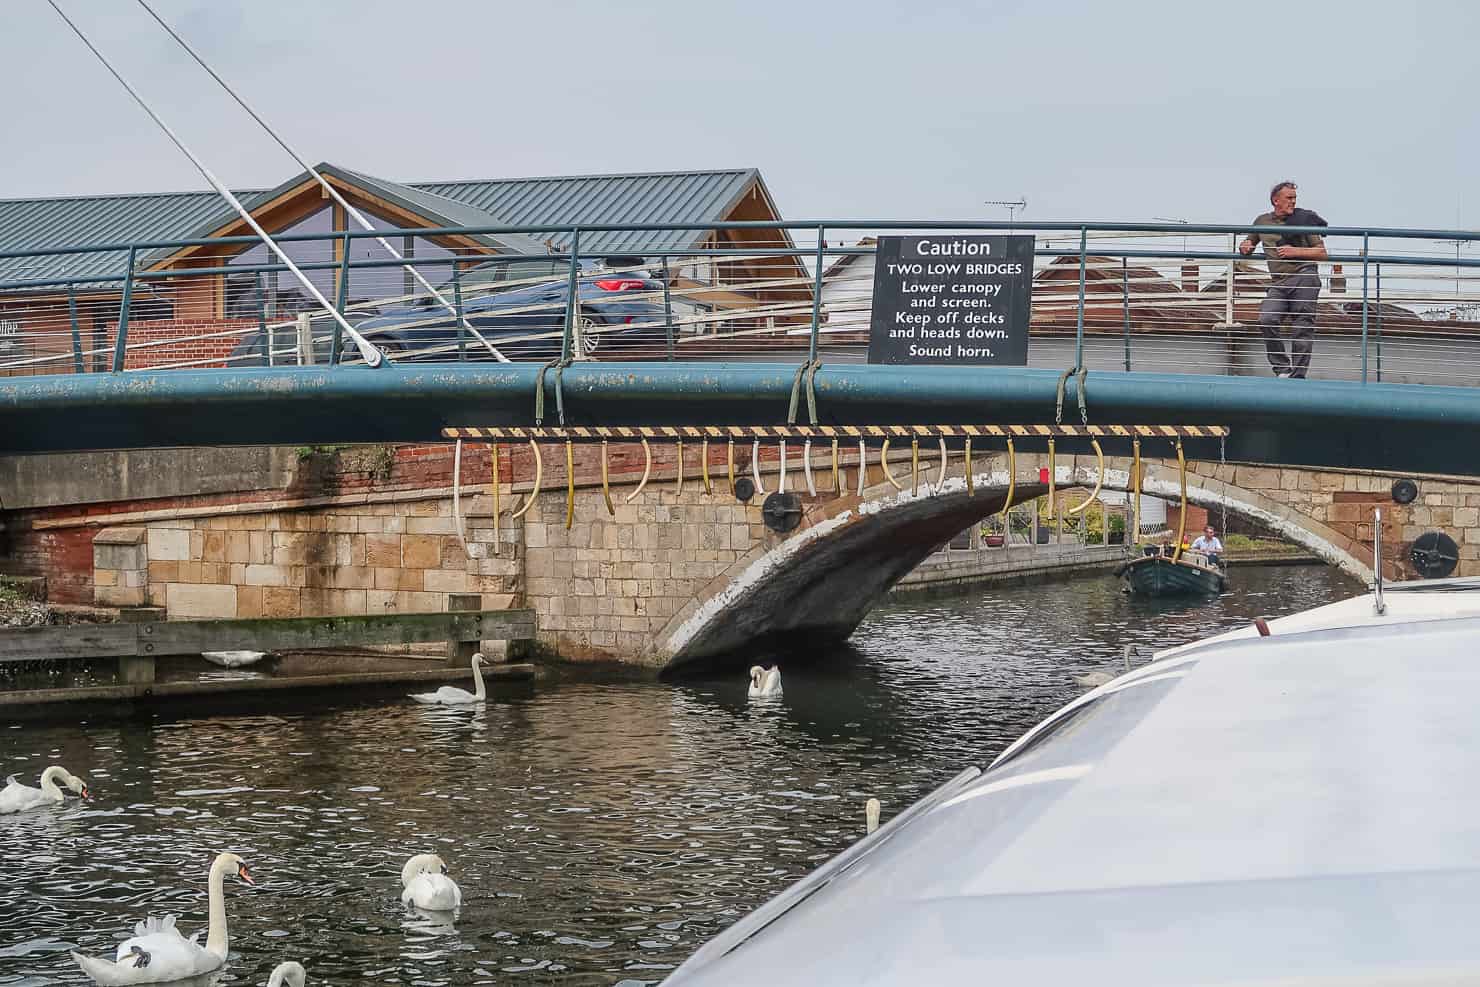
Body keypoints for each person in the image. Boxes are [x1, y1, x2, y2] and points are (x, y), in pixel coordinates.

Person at [1239, 181, 1328, 379]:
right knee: (1267, 319)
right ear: (1275, 200)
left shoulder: (1302, 219)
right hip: (1278, 282)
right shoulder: (1262, 221)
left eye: (1295, 198)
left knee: (1302, 326)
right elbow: (1249, 243)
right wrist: (1244, 247)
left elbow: (1322, 253)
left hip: (1304, 275)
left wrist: (1295, 251)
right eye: (1289, 198)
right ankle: (1282, 370)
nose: (1293, 202)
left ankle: (1297, 376)